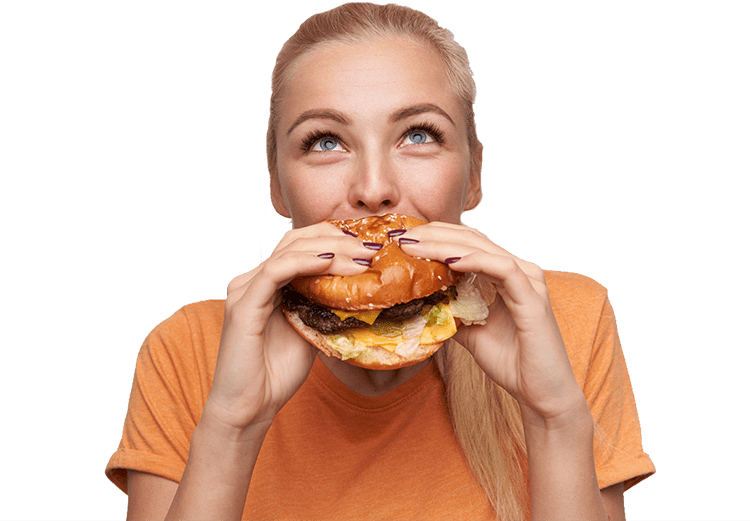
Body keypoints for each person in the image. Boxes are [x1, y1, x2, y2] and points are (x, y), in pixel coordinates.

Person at [105, 3, 655, 519]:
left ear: (475, 172)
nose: (374, 189)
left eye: (418, 135)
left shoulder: (565, 321)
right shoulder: (189, 350)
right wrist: (232, 425)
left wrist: (554, 417)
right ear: (276, 182)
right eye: (325, 142)